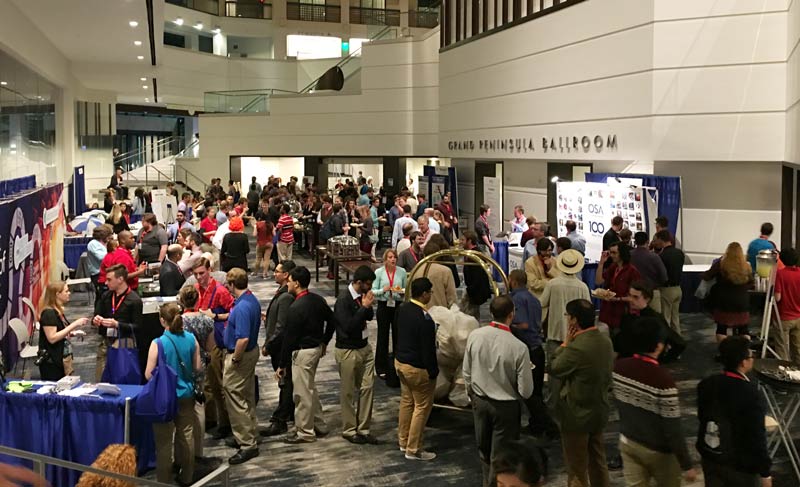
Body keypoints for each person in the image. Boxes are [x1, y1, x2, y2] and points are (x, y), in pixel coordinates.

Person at [613, 318, 697, 487]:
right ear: (659, 346)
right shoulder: (663, 380)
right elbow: (672, 428)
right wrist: (686, 464)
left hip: (628, 441)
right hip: (659, 451)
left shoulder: (619, 367)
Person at [464, 295, 533, 486]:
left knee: (484, 451)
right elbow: (526, 391)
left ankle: (488, 483)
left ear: (491, 312)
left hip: (479, 401)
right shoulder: (519, 347)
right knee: (503, 457)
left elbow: (466, 371)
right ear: (511, 315)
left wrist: (471, 395)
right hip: (506, 406)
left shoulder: (475, 335)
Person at [550, 299, 614, 487]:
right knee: (598, 462)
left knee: (576, 469)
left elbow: (555, 367)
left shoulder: (577, 347)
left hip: (576, 414)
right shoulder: (605, 340)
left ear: (574, 320)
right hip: (599, 410)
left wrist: (565, 344)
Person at [697, 336, 772, 487]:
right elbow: (756, 436)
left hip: (711, 456)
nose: (753, 359)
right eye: (751, 356)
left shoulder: (707, 384)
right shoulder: (750, 393)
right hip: (740, 466)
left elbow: (702, 417)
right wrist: (765, 472)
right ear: (743, 362)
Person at [278, 266, 337, 443]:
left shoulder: (295, 307)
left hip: (303, 353)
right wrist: (325, 341)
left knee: (302, 393)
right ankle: (319, 424)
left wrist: (282, 364)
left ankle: (305, 431)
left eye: (289, 281)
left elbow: (288, 339)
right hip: (316, 350)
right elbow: (332, 321)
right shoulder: (318, 300)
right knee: (310, 388)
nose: (287, 284)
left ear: (296, 283)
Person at [145, 302, 200, 484]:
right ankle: (187, 476)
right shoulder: (192, 339)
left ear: (162, 321)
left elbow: (148, 374)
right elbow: (197, 367)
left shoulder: (157, 343)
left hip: (164, 399)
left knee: (164, 444)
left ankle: (164, 481)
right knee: (186, 437)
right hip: (187, 395)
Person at [507, 270, 557, 438]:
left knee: (530, 394)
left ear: (513, 281)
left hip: (527, 350)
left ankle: (549, 427)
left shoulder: (516, 300)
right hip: (537, 348)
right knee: (535, 393)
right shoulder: (534, 299)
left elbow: (524, 325)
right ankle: (537, 425)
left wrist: (505, 326)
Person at [333, 266, 379, 444]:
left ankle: (364, 428)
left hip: (365, 347)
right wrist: (364, 307)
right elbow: (348, 327)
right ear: (359, 283)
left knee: (368, 388)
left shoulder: (362, 296)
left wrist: (367, 306)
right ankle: (349, 429)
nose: (370, 287)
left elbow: (368, 318)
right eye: (368, 284)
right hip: (348, 350)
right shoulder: (343, 300)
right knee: (348, 392)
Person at [395, 278, 439, 461]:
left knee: (407, 402)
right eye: (430, 292)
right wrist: (433, 371)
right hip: (417, 368)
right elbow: (427, 350)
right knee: (421, 407)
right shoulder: (425, 319)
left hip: (400, 362)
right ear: (424, 294)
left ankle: (403, 441)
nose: (431, 295)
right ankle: (413, 449)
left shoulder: (402, 309)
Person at [221, 268, 261, 464]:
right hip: (250, 353)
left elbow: (243, 338)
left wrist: (235, 359)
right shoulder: (249, 299)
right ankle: (249, 434)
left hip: (241, 356)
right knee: (246, 395)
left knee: (235, 397)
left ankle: (247, 444)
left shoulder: (243, 307)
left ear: (231, 285)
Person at [192, 257, 235, 439]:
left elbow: (232, 313)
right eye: (195, 274)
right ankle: (211, 420)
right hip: (199, 342)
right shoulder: (195, 290)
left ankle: (226, 423)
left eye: (202, 273)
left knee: (218, 385)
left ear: (209, 270)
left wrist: (214, 316)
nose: (199, 277)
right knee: (206, 384)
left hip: (215, 342)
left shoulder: (220, 290)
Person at [261, 260, 298, 437]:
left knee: (285, 381)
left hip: (281, 347)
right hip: (278, 346)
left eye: (277, 271)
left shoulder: (286, 297)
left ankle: (281, 419)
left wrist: (269, 345)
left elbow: (282, 327)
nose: (274, 273)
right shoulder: (282, 294)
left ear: (286, 275)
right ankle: (288, 411)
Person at [178, 286, 215, 459]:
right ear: (198, 299)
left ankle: (184, 452)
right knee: (200, 406)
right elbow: (210, 347)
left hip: (182, 366)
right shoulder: (207, 321)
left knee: (184, 409)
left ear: (182, 301)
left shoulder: (178, 321)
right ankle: (199, 451)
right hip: (200, 365)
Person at [92, 264, 143, 382]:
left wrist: (117, 325)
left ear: (120, 280)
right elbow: (96, 315)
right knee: (101, 381)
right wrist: (96, 320)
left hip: (124, 345)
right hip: (105, 343)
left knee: (120, 380)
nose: (106, 283)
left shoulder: (134, 300)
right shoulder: (106, 296)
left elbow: (138, 327)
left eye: (109, 280)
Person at [615, 281, 686, 362]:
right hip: (626, 364)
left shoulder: (655, 319)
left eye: (635, 297)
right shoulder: (627, 315)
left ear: (647, 299)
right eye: (629, 296)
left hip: (643, 366)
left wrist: (662, 361)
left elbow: (679, 343)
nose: (630, 300)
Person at [702, 242, 754, 342]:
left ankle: (724, 352)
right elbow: (751, 282)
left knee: (722, 329)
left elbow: (707, 276)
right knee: (744, 329)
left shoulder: (721, 264)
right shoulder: (746, 266)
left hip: (724, 302)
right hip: (742, 301)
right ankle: (745, 352)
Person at [37, 282, 89, 380]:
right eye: (66, 291)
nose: (69, 293)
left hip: (60, 357)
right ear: (57, 294)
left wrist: (73, 333)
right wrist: (75, 324)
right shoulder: (49, 314)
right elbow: (52, 338)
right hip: (51, 361)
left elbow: (60, 330)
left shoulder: (57, 311)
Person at [371, 249, 407, 379]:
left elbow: (405, 289)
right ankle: (381, 367)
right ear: (385, 259)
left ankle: (398, 365)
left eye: (394, 257)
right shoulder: (379, 272)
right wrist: (383, 290)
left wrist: (400, 291)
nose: (393, 260)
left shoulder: (402, 272)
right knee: (383, 336)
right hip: (384, 305)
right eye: (390, 257)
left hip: (397, 305)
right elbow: (373, 291)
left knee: (398, 335)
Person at [595, 240, 641, 330]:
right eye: (610, 252)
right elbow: (598, 281)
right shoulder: (613, 267)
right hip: (609, 311)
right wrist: (601, 263)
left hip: (622, 312)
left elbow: (637, 295)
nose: (611, 255)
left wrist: (618, 299)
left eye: (614, 253)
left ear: (622, 253)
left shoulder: (632, 271)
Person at [653, 230, 685, 336]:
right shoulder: (680, 253)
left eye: (657, 240)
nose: (655, 242)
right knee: (675, 319)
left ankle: (667, 344)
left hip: (667, 289)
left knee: (665, 318)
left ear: (661, 240)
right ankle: (678, 341)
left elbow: (660, 275)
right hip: (678, 289)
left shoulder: (662, 256)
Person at [630, 232, 668, 313]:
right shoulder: (654, 257)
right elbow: (664, 276)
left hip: (634, 293)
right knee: (654, 320)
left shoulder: (629, 256)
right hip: (652, 292)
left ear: (635, 241)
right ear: (647, 241)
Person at [412, 243, 457, 309]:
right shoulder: (446, 271)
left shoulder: (416, 268)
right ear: (438, 255)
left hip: (419, 312)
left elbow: (411, 293)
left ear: (424, 255)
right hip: (440, 314)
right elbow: (452, 298)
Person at [775, 247, 800, 364]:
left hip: (784, 317)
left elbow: (777, 297)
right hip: (799, 316)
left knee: (782, 349)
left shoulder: (780, 274)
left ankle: (784, 373)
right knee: (798, 349)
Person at [461, 230, 492, 322]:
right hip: (472, 290)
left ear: (469, 241)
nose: (460, 242)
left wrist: (469, 291)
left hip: (474, 292)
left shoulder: (475, 256)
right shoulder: (470, 253)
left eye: (463, 240)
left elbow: (478, 277)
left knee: (471, 317)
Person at [87, 225, 112, 299]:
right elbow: (102, 257)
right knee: (101, 296)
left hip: (106, 272)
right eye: (109, 235)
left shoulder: (105, 244)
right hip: (97, 274)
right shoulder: (93, 244)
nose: (110, 237)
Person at [253, 202, 275, 279]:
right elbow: (274, 234)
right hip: (269, 243)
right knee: (267, 259)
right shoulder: (271, 224)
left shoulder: (258, 224)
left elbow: (254, 234)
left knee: (258, 258)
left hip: (260, 243)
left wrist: (256, 228)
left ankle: (255, 272)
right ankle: (265, 274)